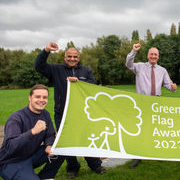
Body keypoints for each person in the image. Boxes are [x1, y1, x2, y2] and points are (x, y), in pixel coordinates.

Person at [34, 42, 105, 178]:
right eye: (69, 57)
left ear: (79, 58)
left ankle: (95, 164)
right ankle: (72, 167)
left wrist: (79, 82)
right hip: (62, 113)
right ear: (64, 57)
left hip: (82, 112)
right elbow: (38, 66)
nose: (72, 59)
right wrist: (46, 50)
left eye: (75, 57)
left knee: (87, 138)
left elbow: (93, 86)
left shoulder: (86, 71)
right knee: (67, 141)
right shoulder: (56, 70)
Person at [126, 43, 177, 168]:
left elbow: (168, 85)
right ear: (148, 56)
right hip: (142, 103)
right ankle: (138, 156)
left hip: (156, 104)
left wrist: (173, 87)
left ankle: (156, 152)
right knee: (140, 130)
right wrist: (133, 51)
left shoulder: (162, 70)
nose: (153, 56)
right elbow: (128, 64)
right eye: (151, 54)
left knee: (156, 129)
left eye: (156, 54)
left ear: (158, 57)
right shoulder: (139, 67)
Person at [0, 84, 64, 180]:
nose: (41, 100)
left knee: (62, 147)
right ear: (30, 98)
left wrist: (49, 145)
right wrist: (32, 132)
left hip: (31, 156)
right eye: (38, 97)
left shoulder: (45, 114)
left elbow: (50, 134)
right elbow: (10, 146)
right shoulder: (16, 118)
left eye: (45, 97)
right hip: (11, 161)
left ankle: (46, 176)